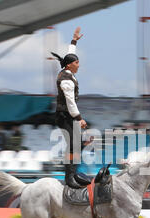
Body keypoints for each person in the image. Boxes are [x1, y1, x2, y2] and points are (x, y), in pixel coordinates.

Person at [51, 27, 89, 188]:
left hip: (68, 115)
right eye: (76, 62)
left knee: (78, 143)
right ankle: (69, 177)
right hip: (65, 115)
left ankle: (74, 173)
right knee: (74, 144)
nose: (79, 65)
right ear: (69, 65)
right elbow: (70, 102)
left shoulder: (67, 71)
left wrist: (74, 41)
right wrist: (79, 118)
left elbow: (69, 54)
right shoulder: (66, 80)